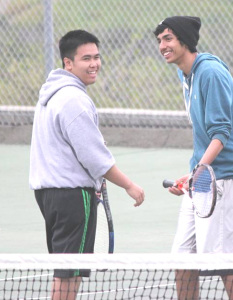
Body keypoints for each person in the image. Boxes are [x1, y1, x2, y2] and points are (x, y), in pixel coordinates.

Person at [29, 29, 145, 300]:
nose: (94, 64)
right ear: (68, 63)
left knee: (68, 270)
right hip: (71, 197)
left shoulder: (50, 96)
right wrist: (129, 185)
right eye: (86, 59)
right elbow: (95, 157)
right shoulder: (74, 100)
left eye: (97, 57)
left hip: (48, 195)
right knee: (68, 273)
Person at [154, 16, 233, 300]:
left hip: (227, 176)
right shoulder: (186, 74)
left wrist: (198, 170)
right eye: (159, 41)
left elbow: (221, 129)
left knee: (228, 267)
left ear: (184, 41)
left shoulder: (210, 72)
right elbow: (226, 112)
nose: (162, 45)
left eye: (168, 39)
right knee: (183, 260)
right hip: (205, 176)